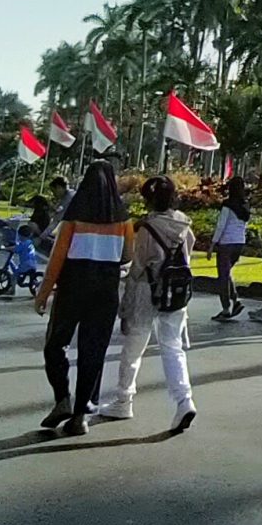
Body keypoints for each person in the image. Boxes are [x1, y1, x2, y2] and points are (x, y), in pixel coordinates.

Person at [33, 159, 130, 434]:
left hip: (73, 287)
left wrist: (43, 294)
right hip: (106, 291)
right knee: (92, 352)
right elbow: (127, 256)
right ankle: (80, 416)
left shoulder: (73, 217)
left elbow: (56, 259)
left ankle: (62, 397)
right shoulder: (123, 220)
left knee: (55, 345)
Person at [101, 175, 199, 433]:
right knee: (173, 348)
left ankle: (124, 400)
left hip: (147, 292)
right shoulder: (185, 225)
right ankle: (184, 400)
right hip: (175, 293)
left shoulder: (147, 229)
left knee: (133, 349)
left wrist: (125, 306)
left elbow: (138, 268)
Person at [210, 177, 252, 322]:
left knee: (223, 276)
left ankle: (226, 307)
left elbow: (221, 225)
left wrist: (212, 244)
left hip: (226, 242)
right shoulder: (245, 206)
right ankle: (235, 300)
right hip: (239, 242)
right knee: (227, 273)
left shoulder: (228, 205)